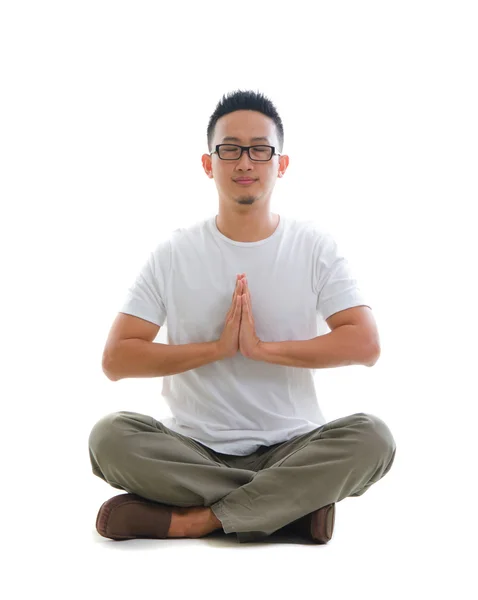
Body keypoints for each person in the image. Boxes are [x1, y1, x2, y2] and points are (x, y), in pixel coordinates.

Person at [89, 89, 396, 545]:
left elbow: (365, 345)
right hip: (193, 449)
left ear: (281, 164)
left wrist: (261, 351)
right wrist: (216, 350)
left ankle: (200, 520)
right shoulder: (174, 253)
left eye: (260, 149)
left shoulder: (314, 247)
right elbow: (117, 359)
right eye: (229, 150)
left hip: (291, 448)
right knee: (109, 437)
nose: (245, 163)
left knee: (373, 437)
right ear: (208, 164)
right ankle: (288, 509)